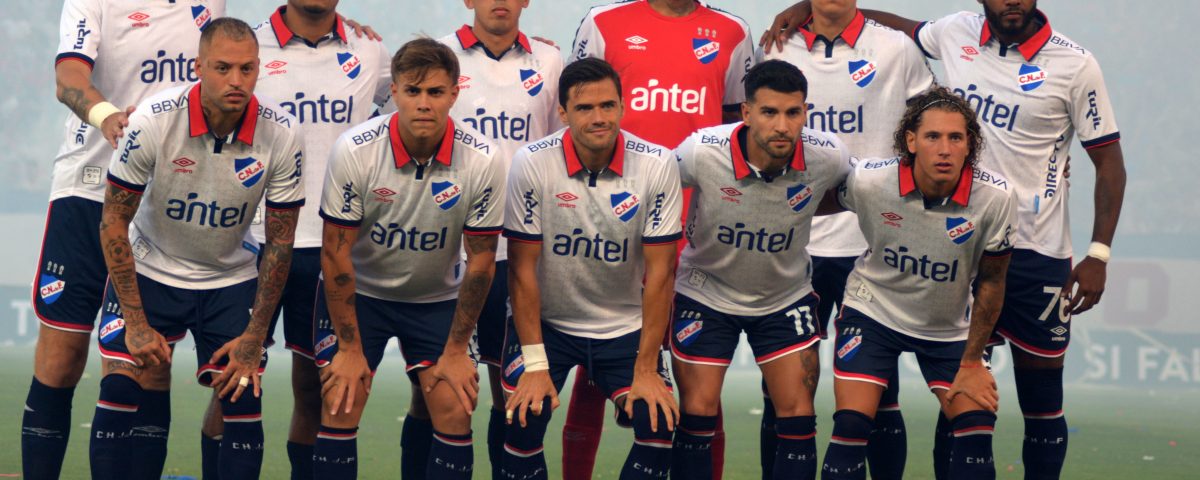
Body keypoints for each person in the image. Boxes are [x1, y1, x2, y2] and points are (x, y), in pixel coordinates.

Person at [764, 2, 1126, 478]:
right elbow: (897, 26)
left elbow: (1109, 160)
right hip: (958, 248)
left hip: (1037, 250)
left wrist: (1099, 252)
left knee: (1042, 401)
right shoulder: (956, 32)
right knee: (960, 395)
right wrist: (813, 7)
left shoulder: (1075, 64)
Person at [91, 17, 304, 479]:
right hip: (149, 268)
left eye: (247, 69)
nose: (236, 80)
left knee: (242, 394)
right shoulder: (153, 119)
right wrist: (136, 323)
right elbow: (113, 222)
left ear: (259, 68)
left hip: (229, 277)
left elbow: (281, 243)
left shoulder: (283, 133)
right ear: (199, 67)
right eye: (223, 68)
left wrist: (255, 338)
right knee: (121, 389)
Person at [189, 3, 391, 479]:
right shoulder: (249, 47)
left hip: (331, 246)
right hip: (255, 242)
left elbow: (405, 100)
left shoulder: (369, 49)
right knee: (233, 382)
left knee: (317, 388)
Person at [25, 2, 225, 478]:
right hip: (90, 186)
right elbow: (68, 78)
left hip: (167, 199)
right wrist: (109, 117)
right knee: (62, 358)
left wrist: (337, 24)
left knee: (150, 361)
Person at [567, 2, 755, 476]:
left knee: (699, 377)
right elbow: (575, 112)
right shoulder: (604, 22)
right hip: (611, 223)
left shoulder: (732, 31)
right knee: (594, 365)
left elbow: (737, 130)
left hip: (699, 228)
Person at [313, 37, 504, 479]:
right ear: (394, 91)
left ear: (455, 93)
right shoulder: (354, 149)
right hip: (363, 297)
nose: (423, 103)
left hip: (436, 300)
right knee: (341, 400)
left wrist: (456, 350)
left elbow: (481, 262)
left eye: (435, 92)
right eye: (413, 91)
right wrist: (349, 348)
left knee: (455, 407)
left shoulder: (484, 159)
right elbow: (335, 252)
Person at [759, 1, 934, 477]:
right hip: (793, 243)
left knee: (878, 392)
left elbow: (931, 128)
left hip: (871, 244)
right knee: (783, 391)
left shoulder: (896, 48)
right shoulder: (775, 47)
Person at [499, 57, 682, 480]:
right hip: (549, 326)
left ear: (622, 106)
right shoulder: (532, 162)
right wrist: (535, 364)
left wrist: (646, 369)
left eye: (608, 105)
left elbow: (661, 275)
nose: (599, 118)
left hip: (624, 328)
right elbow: (521, 271)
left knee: (658, 424)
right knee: (523, 418)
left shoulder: (657, 164)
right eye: (584, 108)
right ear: (563, 113)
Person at [819, 86, 1015, 480]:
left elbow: (993, 281)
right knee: (852, 425)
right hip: (873, 312)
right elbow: (810, 201)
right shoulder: (871, 181)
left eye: (955, 138)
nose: (944, 149)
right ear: (911, 141)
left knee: (977, 430)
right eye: (932, 136)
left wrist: (972, 361)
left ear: (969, 144)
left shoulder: (995, 198)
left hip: (948, 329)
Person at [669, 60, 849, 480]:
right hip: (706, 292)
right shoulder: (701, 151)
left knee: (798, 416)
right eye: (769, 112)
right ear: (746, 113)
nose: (782, 126)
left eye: (793, 112)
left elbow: (860, 195)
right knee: (697, 412)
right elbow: (651, 187)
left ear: (806, 112)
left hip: (784, 296)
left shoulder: (828, 156)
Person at [439, 1, 564, 477]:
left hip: (519, 250)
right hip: (450, 251)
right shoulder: (440, 54)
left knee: (509, 390)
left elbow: (559, 151)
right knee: (437, 389)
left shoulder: (549, 60)